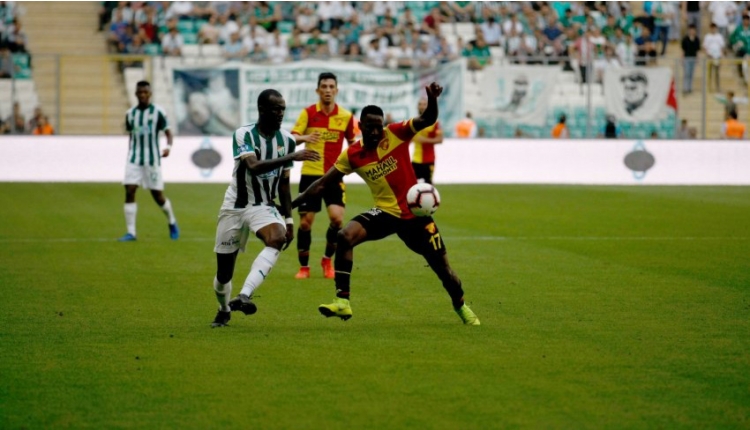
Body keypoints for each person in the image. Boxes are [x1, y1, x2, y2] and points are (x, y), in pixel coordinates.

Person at [292, 82, 480, 326]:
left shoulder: (396, 133)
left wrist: (432, 99)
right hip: (386, 213)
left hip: (416, 217)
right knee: (345, 236)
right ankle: (343, 302)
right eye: (370, 127)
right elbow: (320, 185)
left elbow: (428, 119)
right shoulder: (352, 155)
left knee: (444, 271)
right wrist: (289, 205)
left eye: (378, 127)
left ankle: (461, 305)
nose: (375, 132)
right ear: (361, 126)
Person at [210, 89, 321, 328]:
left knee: (277, 238)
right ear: (261, 109)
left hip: (262, 206)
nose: (280, 113)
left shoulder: (287, 140)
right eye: (275, 109)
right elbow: (254, 166)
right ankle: (223, 308)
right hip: (235, 206)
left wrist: (289, 222)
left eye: (282, 109)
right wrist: (292, 156)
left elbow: (283, 183)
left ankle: (244, 295)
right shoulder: (243, 134)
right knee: (223, 275)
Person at [291, 72, 355, 280]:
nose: (327, 90)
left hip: (334, 175)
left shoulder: (346, 116)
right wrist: (305, 137)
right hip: (310, 174)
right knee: (305, 223)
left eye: (331, 87)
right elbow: (292, 138)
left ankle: (327, 260)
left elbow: (354, 143)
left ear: (336, 90)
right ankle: (304, 267)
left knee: (337, 220)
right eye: (324, 87)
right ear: (318, 90)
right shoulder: (308, 113)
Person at [118, 81, 179, 242]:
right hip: (134, 159)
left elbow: (168, 132)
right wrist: (130, 152)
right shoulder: (130, 114)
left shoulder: (158, 112)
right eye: (140, 92)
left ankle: (172, 222)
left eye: (145, 92)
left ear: (150, 94)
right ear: (136, 94)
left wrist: (168, 147)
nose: (143, 95)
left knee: (157, 195)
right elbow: (131, 135)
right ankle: (131, 232)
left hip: (152, 159)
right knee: (130, 190)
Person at [410, 97, 443, 184]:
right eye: (420, 104)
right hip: (415, 159)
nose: (422, 106)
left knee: (428, 185)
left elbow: (440, 139)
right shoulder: (413, 122)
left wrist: (424, 140)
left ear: (428, 106)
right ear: (417, 107)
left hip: (428, 159)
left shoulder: (435, 122)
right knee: (411, 184)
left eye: (424, 104)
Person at [681, 25, 701, 94]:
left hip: (693, 58)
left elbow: (697, 50)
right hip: (687, 58)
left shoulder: (696, 39)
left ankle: (690, 88)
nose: (692, 31)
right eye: (691, 30)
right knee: (687, 73)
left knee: (691, 74)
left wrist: (697, 58)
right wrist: (682, 58)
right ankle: (685, 87)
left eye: (693, 30)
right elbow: (683, 50)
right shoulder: (685, 39)